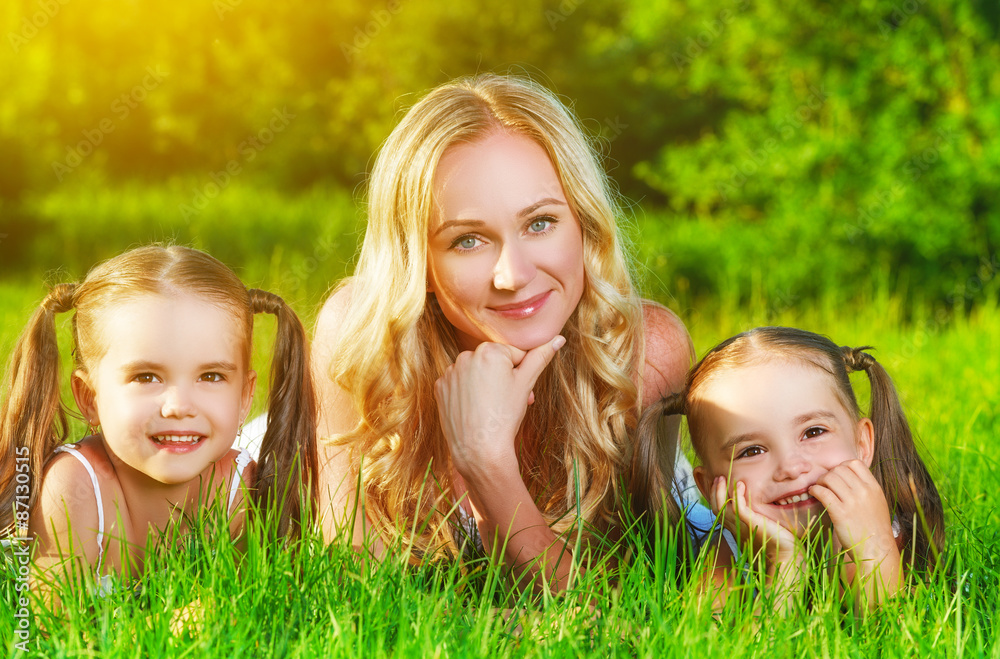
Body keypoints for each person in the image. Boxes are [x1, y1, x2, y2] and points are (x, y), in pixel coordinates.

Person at [312, 73, 706, 589]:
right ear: (419, 261)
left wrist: (487, 465)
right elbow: (352, 584)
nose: (514, 276)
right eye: (468, 240)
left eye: (540, 223)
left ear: (584, 224)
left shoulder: (645, 352)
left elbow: (623, 599)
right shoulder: (361, 340)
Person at [0, 245, 316, 601]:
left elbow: (260, 611)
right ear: (90, 398)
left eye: (211, 376)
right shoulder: (74, 489)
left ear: (244, 397)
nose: (179, 406)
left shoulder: (241, 491)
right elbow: (52, 633)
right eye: (146, 377)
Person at [648, 326, 944, 611]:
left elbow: (893, 641)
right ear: (710, 484)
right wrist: (783, 562)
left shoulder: (879, 530)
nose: (790, 467)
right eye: (752, 451)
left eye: (813, 432)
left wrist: (875, 548)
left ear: (862, 443)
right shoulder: (723, 552)